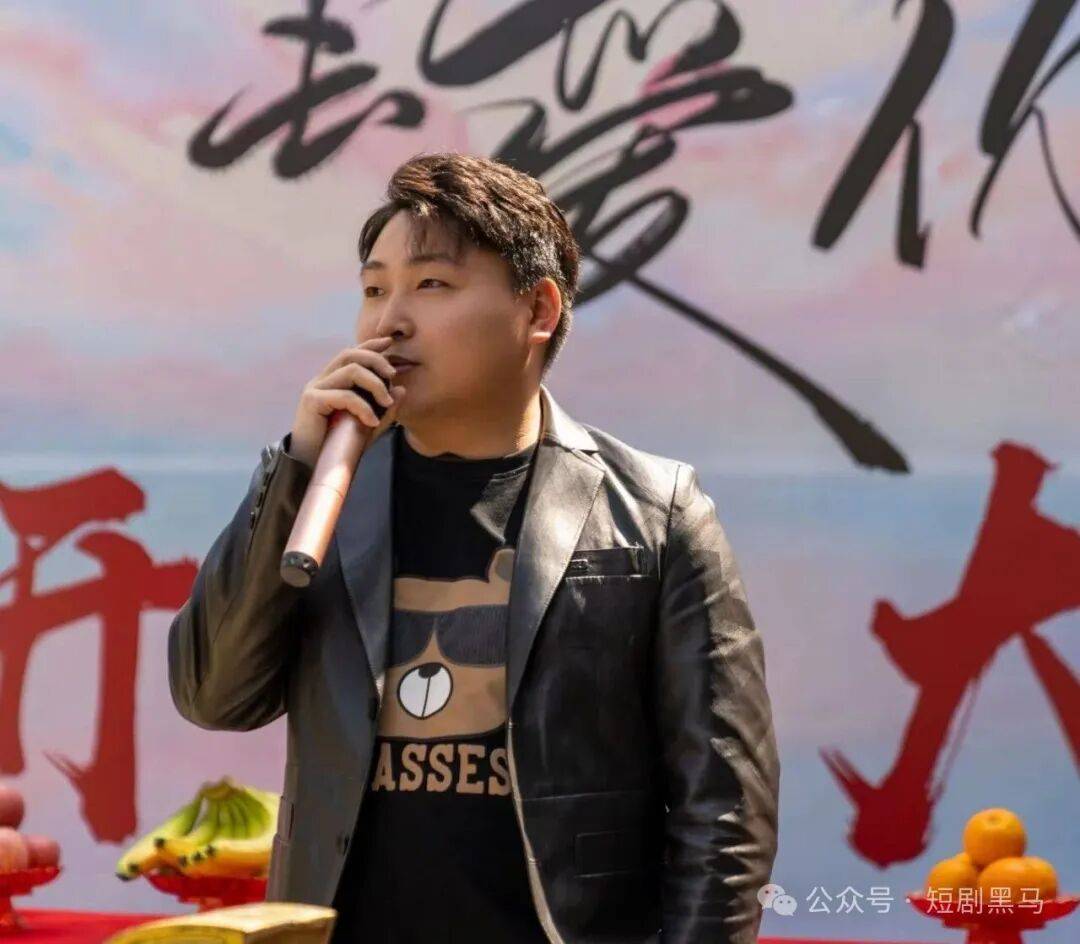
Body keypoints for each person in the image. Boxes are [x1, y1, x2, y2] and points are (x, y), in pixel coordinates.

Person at [168, 152, 779, 944]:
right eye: (374, 290)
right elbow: (212, 696)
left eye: (431, 284)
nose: (389, 321)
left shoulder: (656, 513)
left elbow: (723, 813)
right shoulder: (320, 493)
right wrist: (298, 469)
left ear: (539, 309)